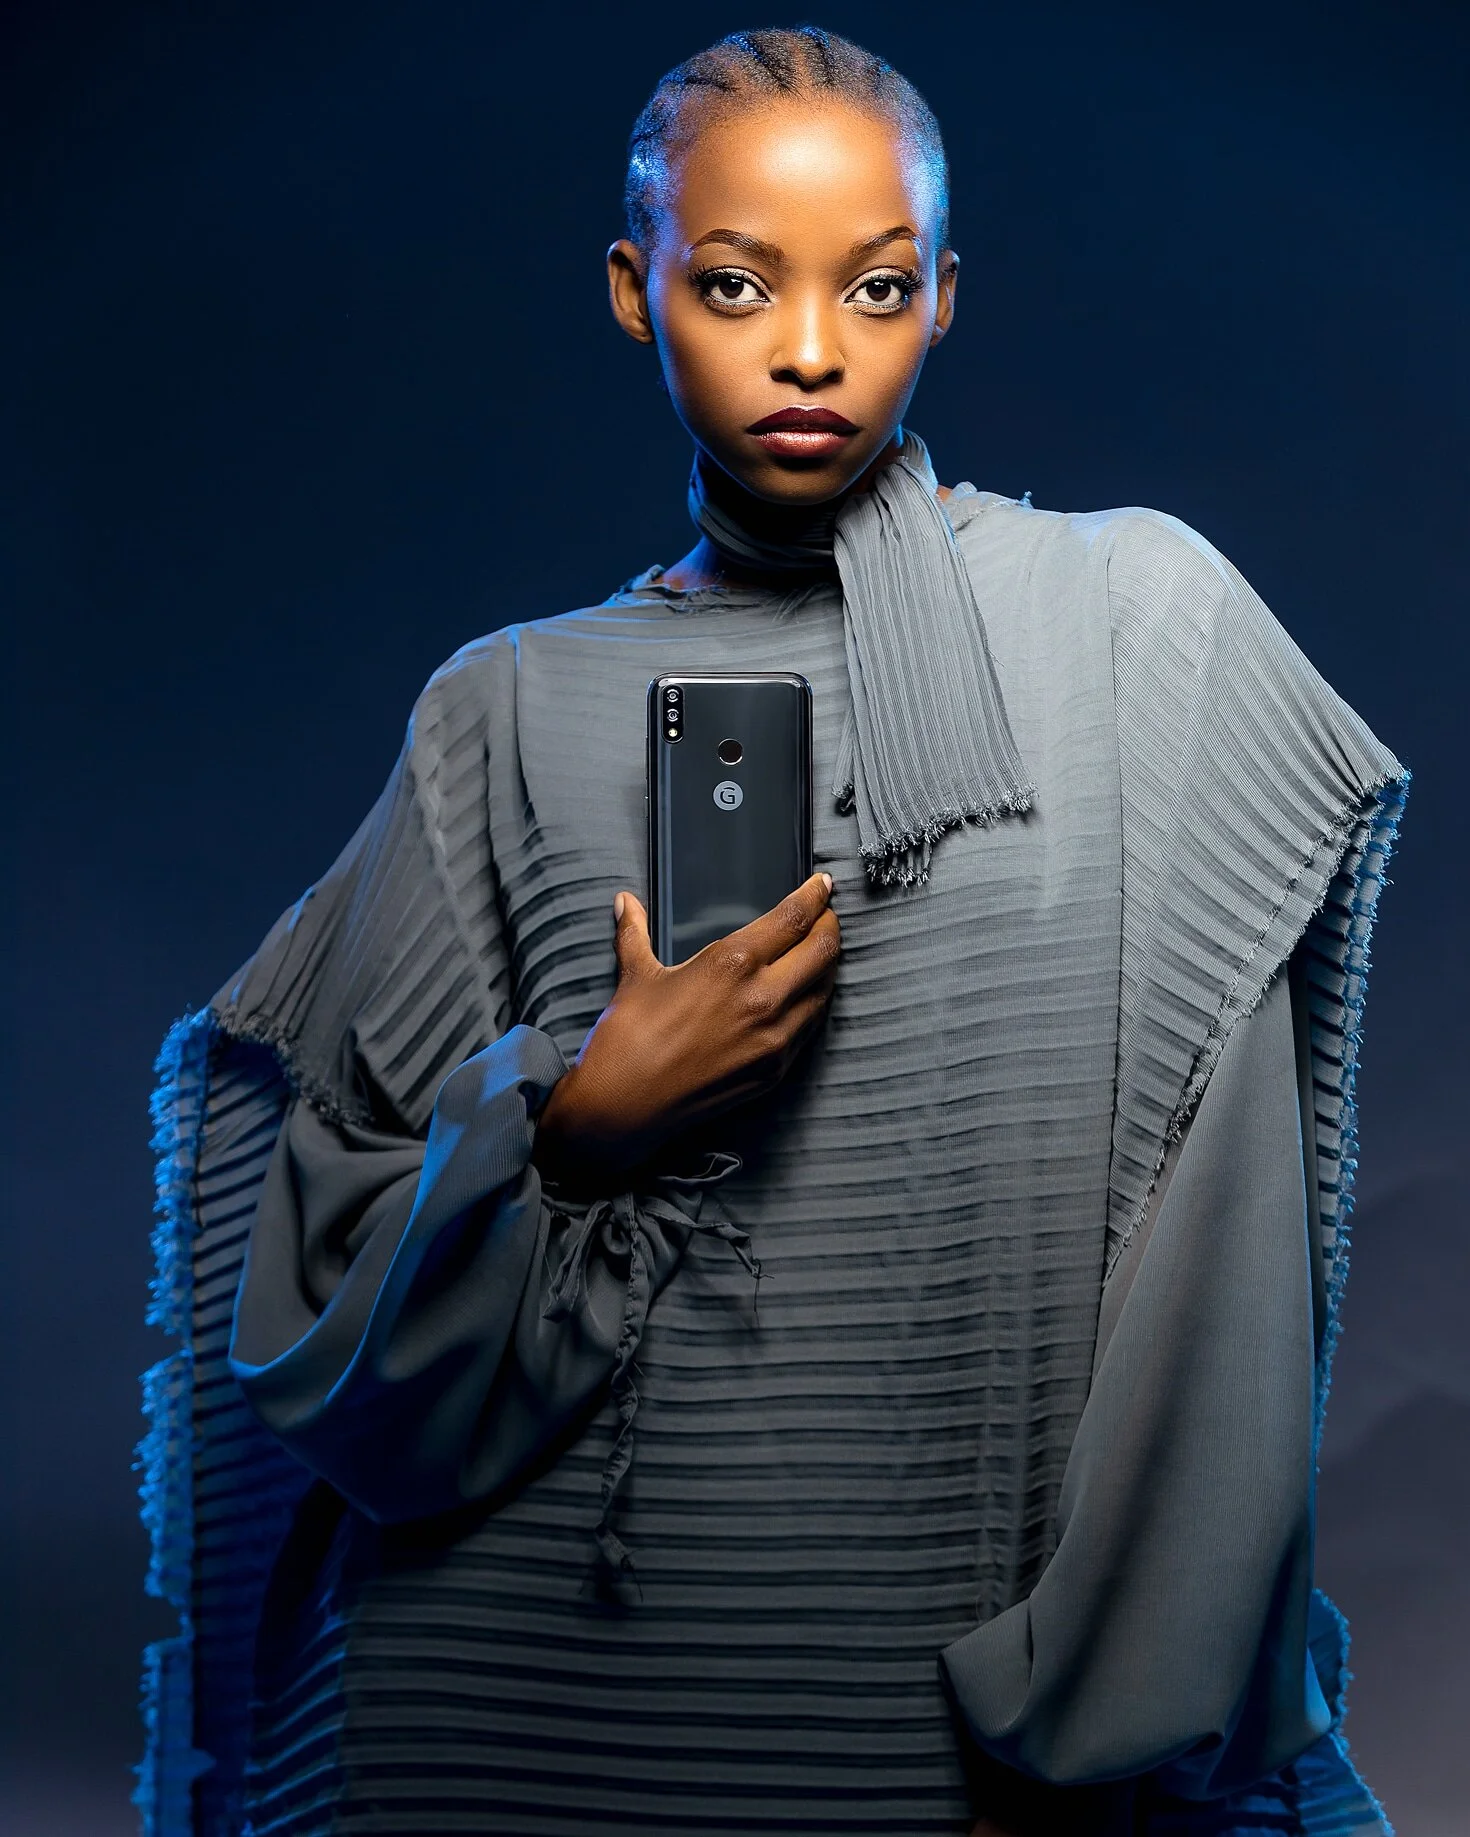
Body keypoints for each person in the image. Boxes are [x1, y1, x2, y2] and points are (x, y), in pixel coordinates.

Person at [136, 26, 1409, 1837]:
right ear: (628, 286)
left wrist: (1120, 1680)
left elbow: (1232, 1224)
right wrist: (583, 1123)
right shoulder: (503, 708)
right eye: (732, 284)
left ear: (945, 298)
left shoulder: (1138, 629)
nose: (808, 348)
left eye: (874, 286)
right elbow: (316, 1278)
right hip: (529, 1704)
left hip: (973, 1689)